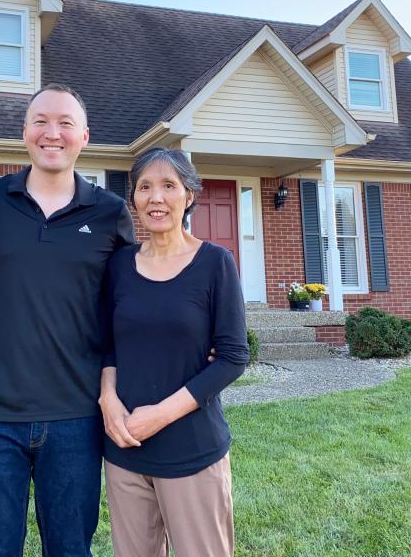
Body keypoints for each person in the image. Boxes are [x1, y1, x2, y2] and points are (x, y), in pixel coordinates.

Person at [0, 84, 136, 556]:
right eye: (40, 121)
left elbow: (130, 303)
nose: (51, 133)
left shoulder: (110, 212)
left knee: (71, 549)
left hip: (76, 414)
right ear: (24, 132)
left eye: (65, 123)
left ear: (84, 136)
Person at [99, 147, 248, 557]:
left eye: (169, 186)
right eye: (144, 187)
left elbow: (234, 356)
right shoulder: (119, 265)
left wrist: (159, 415)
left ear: (190, 195)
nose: (156, 197)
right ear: (133, 199)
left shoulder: (216, 263)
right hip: (124, 448)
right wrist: (108, 401)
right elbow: (108, 344)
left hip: (192, 450)